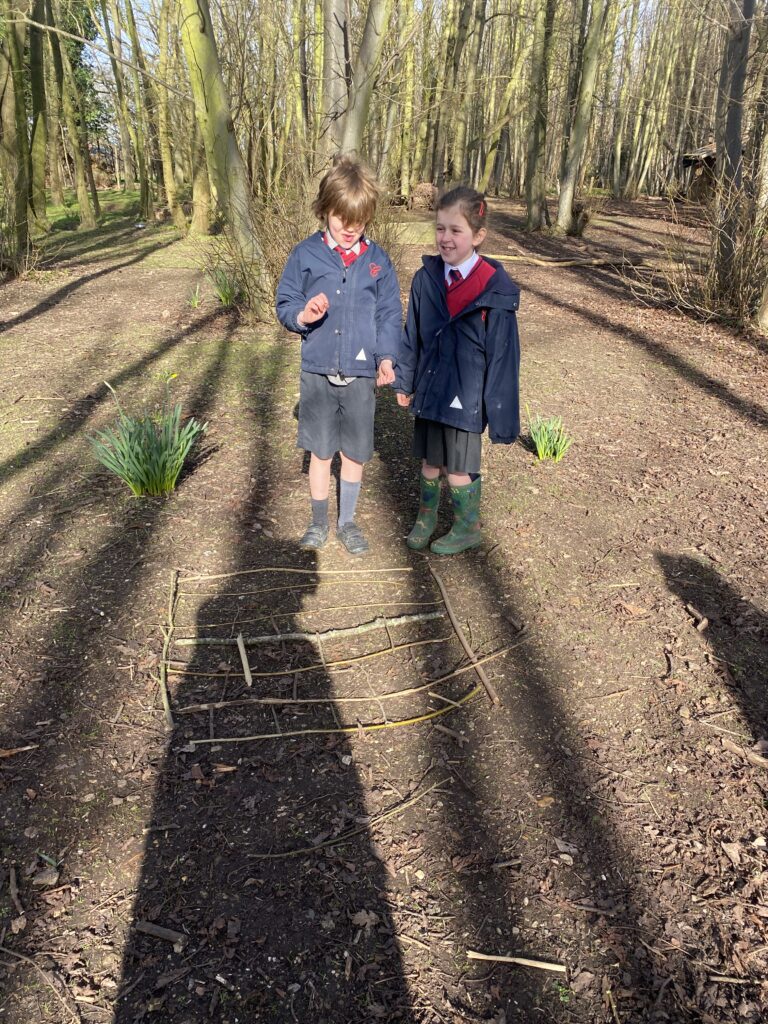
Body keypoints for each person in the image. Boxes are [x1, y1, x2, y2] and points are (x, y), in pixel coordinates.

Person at [276, 158, 402, 555]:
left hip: (362, 373)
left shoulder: (378, 262)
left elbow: (388, 314)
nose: (349, 230)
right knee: (321, 450)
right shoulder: (305, 255)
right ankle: (317, 523)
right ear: (324, 210)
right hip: (318, 370)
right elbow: (286, 302)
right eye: (340, 219)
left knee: (354, 452)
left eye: (359, 222)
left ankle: (347, 521)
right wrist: (301, 315)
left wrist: (386, 359)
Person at [395, 186, 520, 555]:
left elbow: (503, 358)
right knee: (430, 460)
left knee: (458, 468)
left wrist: (500, 415)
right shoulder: (425, 279)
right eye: (440, 228)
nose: (445, 239)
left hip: (465, 395)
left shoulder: (494, 292)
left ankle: (468, 526)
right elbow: (412, 334)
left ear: (478, 236)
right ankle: (426, 517)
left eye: (456, 230)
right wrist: (405, 379)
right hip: (431, 387)